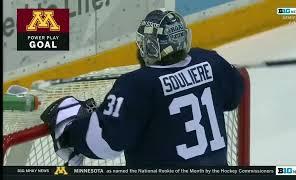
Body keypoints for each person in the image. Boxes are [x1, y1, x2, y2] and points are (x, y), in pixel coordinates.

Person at [41, 9, 244, 166]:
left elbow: (105, 144)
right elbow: (233, 96)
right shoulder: (210, 61)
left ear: (149, 46)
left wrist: (71, 130)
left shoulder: (137, 84)